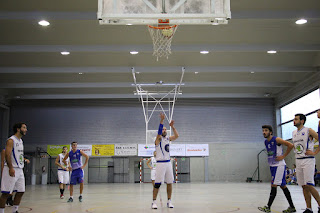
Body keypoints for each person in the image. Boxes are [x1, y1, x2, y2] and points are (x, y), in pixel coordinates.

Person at [258, 125, 296, 213]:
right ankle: (292, 207)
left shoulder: (276, 139)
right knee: (283, 186)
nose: (264, 132)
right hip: (273, 166)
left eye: (266, 130)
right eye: (263, 130)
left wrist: (283, 156)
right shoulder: (265, 142)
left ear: (270, 132)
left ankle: (268, 207)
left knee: (273, 185)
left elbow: (290, 145)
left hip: (279, 166)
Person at [293, 113, 320, 213]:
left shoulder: (309, 130)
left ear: (302, 121)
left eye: (296, 119)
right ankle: (309, 208)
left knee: (309, 185)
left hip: (308, 160)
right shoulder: (294, 132)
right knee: (304, 186)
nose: (294, 121)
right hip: (298, 160)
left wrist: (315, 152)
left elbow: (319, 139)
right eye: (294, 119)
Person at [151, 113, 179, 209]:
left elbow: (176, 136)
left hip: (168, 163)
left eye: (165, 129)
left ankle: (169, 201)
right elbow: (159, 132)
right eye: (163, 129)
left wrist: (173, 127)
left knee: (170, 182)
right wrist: (162, 121)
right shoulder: (157, 140)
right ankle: (154, 202)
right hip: (160, 164)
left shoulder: (167, 138)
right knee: (157, 184)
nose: (164, 130)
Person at [0, 123, 28, 213]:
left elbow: (18, 155)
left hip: (20, 169)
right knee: (6, 193)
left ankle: (15, 210)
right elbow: (7, 155)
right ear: (18, 129)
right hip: (11, 168)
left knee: (21, 191)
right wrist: (10, 167)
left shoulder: (21, 141)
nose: (26, 130)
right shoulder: (11, 140)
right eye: (24, 128)